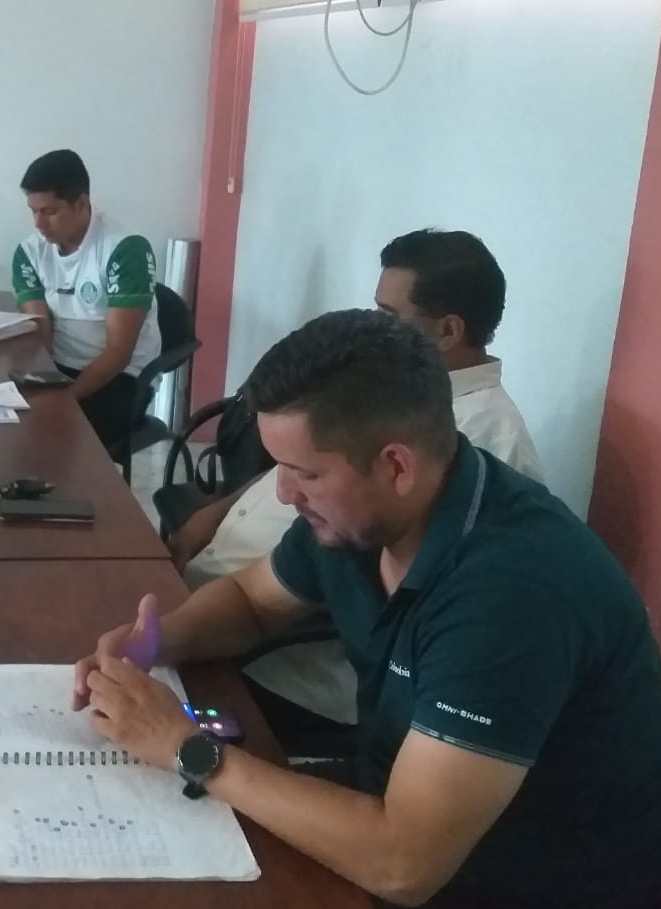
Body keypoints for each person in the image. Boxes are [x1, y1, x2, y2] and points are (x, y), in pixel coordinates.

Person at [73, 310, 661, 909]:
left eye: (302, 472)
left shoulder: (511, 595)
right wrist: (161, 639)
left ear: (395, 464)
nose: (283, 491)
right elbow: (252, 601)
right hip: (407, 830)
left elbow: (403, 864)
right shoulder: (365, 515)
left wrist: (188, 749)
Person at [174, 229, 543, 737]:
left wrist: (183, 746)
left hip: (289, 669)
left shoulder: (481, 442)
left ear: (448, 330)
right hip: (225, 607)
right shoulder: (381, 398)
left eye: (388, 315)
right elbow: (259, 585)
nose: (376, 328)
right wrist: (215, 514)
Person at [11, 148, 161, 447]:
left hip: (120, 378)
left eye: (50, 212)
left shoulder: (125, 249)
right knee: (8, 422)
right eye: (33, 211)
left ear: (81, 203)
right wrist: (40, 384)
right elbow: (41, 332)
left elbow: (119, 353)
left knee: (55, 435)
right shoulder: (30, 253)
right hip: (60, 368)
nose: (39, 223)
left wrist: (67, 398)